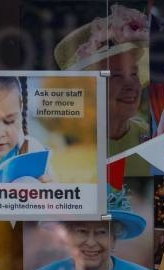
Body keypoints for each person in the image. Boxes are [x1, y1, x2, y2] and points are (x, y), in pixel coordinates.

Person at [55, 5, 150, 170]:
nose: (131, 86)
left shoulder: (152, 136)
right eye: (116, 75)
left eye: (134, 74)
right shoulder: (63, 146)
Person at [25, 186, 154, 270]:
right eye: (82, 231)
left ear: (114, 238)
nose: (91, 242)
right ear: (67, 237)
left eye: (101, 232)